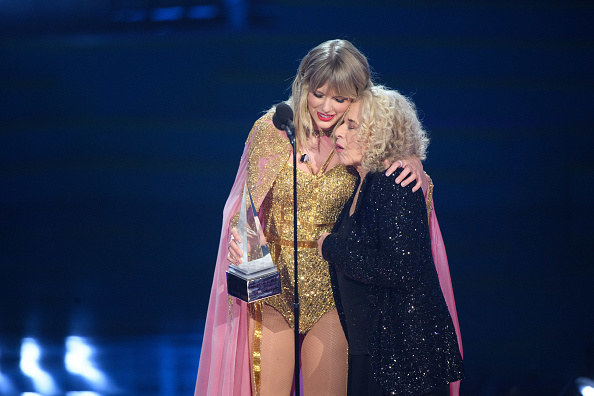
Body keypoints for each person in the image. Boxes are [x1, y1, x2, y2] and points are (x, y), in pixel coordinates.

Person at [194, 39, 428, 396]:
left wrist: (416, 169)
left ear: (358, 98)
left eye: (341, 99)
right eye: (319, 94)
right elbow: (246, 208)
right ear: (303, 84)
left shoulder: (363, 138)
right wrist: (242, 240)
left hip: (334, 291)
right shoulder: (272, 131)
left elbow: (400, 202)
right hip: (272, 290)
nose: (327, 107)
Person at [317, 85, 464, 395]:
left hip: (403, 359)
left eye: (352, 125)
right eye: (341, 123)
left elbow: (400, 269)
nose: (338, 133)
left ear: (380, 135)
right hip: (375, 351)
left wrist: (331, 246)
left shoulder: (394, 185)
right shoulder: (365, 184)